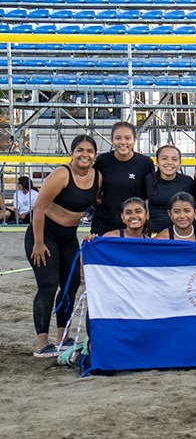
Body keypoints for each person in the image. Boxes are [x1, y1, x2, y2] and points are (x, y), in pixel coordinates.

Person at [25, 134, 101, 357]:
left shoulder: (97, 177)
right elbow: (38, 209)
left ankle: (62, 336)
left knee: (71, 284)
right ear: (72, 153)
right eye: (80, 150)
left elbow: (96, 204)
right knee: (48, 285)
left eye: (89, 151)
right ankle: (41, 342)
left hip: (69, 236)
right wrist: (38, 243)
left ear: (95, 156)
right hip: (44, 234)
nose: (84, 154)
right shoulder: (62, 174)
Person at [91, 121, 154, 235]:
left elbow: (148, 195)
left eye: (127, 138)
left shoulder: (145, 163)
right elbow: (94, 188)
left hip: (134, 225)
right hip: (105, 223)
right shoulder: (102, 161)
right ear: (112, 140)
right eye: (118, 138)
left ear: (134, 140)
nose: (123, 142)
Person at [144, 145, 196, 234]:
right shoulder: (148, 179)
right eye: (164, 158)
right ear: (157, 162)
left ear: (179, 163)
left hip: (181, 234)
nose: (169, 162)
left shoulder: (188, 182)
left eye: (174, 159)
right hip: (155, 234)